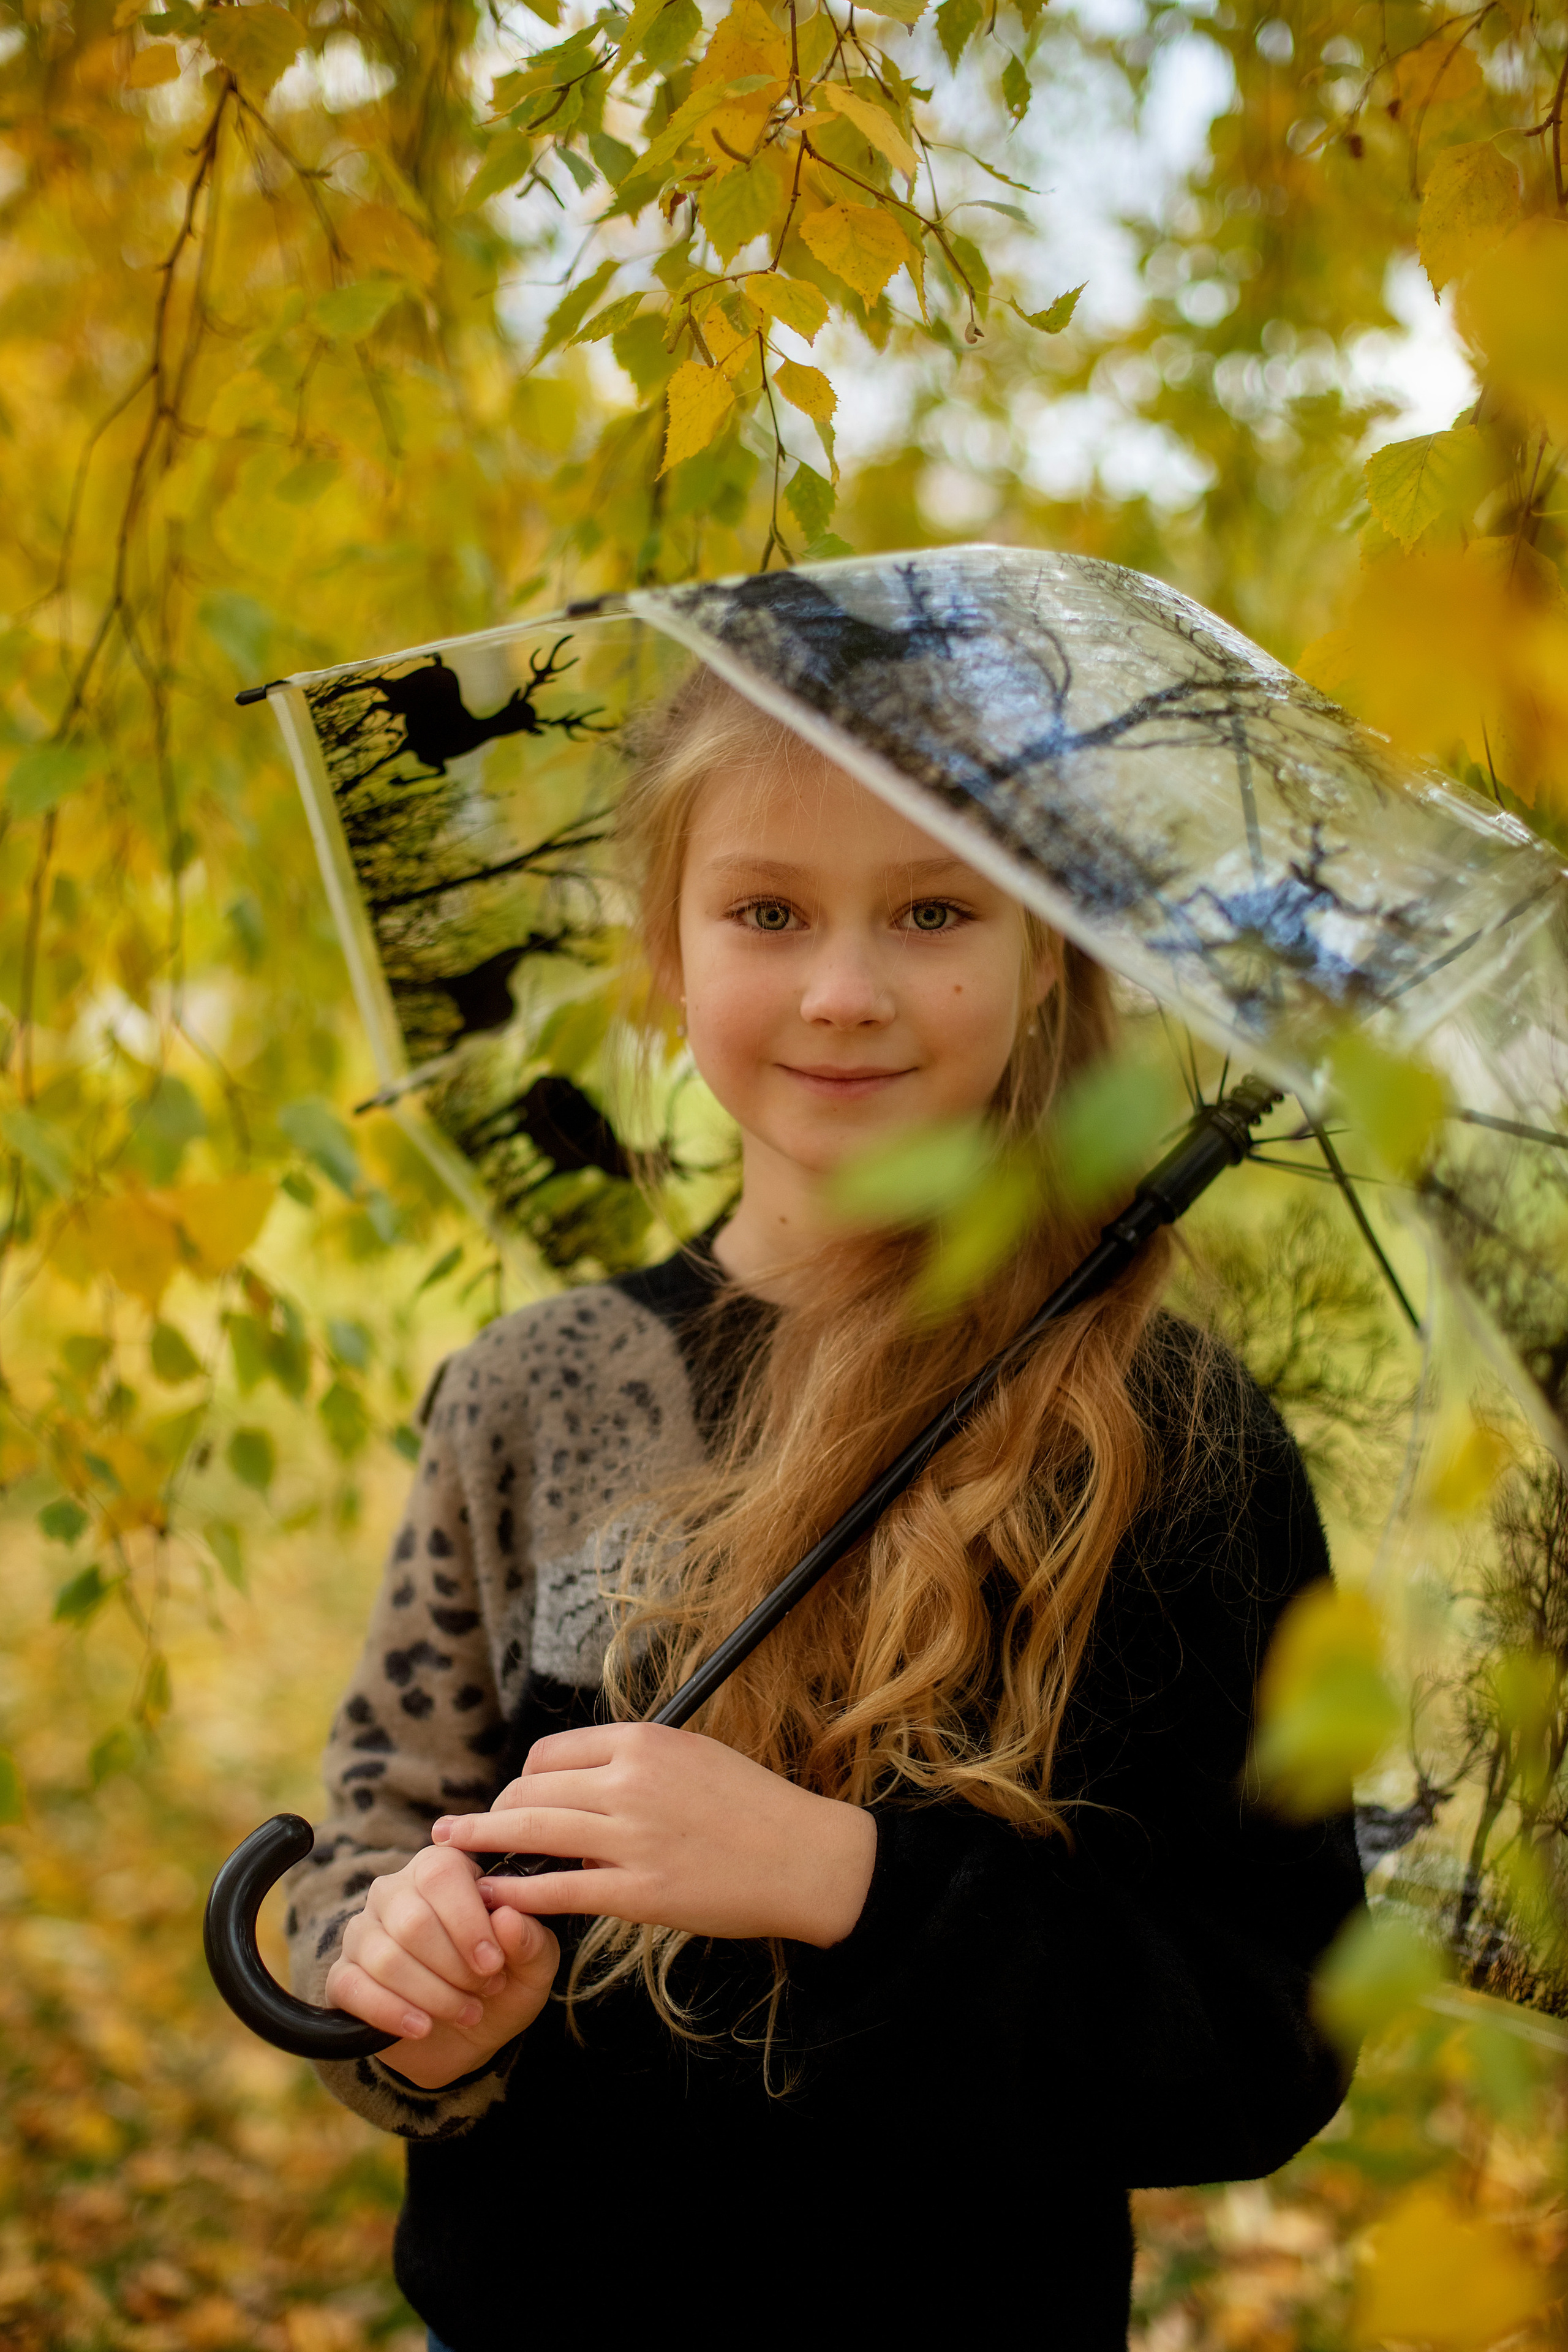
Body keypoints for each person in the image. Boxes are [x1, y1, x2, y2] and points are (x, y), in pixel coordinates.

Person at [284, 666, 1364, 2348]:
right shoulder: (536, 1392)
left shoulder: (1169, 1441)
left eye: (933, 909)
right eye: (768, 911)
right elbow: (355, 1867)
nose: (845, 991)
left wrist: (851, 1881)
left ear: (1041, 960)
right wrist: (412, 2000)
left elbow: (1267, 2040)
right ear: (669, 954)